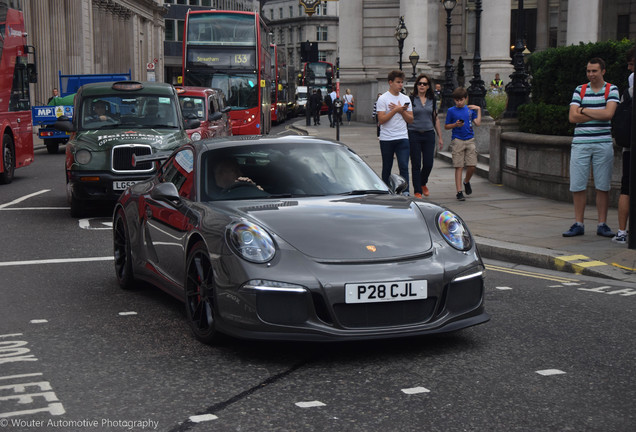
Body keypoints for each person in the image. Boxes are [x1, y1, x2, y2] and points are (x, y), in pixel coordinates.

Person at [563, 57, 619, 238]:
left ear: (603, 71)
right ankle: (578, 223)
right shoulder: (580, 89)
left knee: (603, 185)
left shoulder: (612, 89)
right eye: (588, 71)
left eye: (594, 71)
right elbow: (572, 117)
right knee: (578, 184)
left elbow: (609, 113)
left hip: (603, 143)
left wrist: (584, 110)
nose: (591, 74)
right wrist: (598, 114)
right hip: (580, 143)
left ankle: (602, 224)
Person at [376, 70, 413, 193]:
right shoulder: (383, 99)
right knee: (387, 166)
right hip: (387, 138)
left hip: (402, 136)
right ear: (390, 82)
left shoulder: (406, 98)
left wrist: (401, 111)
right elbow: (381, 120)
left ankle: (406, 190)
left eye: (402, 82)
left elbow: (411, 119)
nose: (400, 85)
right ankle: (386, 190)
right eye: (398, 82)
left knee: (403, 165)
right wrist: (395, 110)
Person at [612, 46, 635, 244]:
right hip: (629, 147)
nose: (629, 68)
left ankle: (622, 232)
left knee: (626, 188)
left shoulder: (628, 90)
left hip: (629, 147)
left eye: (632, 64)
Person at [408, 74, 444, 198]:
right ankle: (417, 190)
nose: (422, 86)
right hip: (414, 134)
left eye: (425, 84)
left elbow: (435, 118)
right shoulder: (411, 99)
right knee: (416, 163)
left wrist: (440, 137)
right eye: (420, 83)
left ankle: (423, 183)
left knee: (428, 163)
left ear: (428, 86)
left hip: (429, 134)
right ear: (416, 85)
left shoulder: (432, 99)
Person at [444, 87, 481, 201]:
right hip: (457, 140)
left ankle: (466, 181)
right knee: (458, 166)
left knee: (472, 165)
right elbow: (446, 126)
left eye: (461, 100)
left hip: (470, 139)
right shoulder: (451, 111)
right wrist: (455, 125)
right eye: (456, 100)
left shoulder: (470, 111)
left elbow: (478, 123)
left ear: (466, 98)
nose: (459, 102)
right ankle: (459, 191)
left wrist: (478, 109)